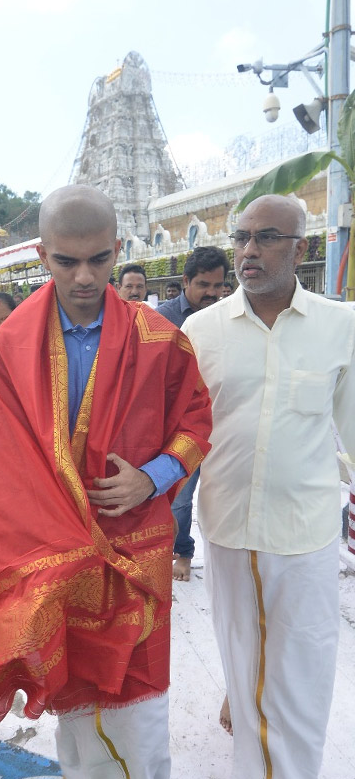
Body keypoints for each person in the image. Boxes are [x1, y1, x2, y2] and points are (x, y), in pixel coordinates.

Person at [0, 186, 212, 779]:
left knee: (139, 711)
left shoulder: (161, 339)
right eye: (68, 261)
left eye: (99, 258)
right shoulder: (8, 346)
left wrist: (152, 477)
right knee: (74, 707)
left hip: (133, 549)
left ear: (118, 249)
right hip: (48, 555)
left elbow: (196, 420)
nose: (86, 275)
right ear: (43, 255)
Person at [183, 195, 355, 779]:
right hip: (228, 529)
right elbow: (184, 433)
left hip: (305, 533)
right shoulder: (200, 330)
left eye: (266, 238)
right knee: (245, 667)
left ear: (299, 248)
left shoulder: (341, 326)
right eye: (241, 238)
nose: (248, 251)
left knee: (302, 675)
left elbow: (352, 432)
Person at [157, 246, 230, 581]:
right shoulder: (164, 318)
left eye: (218, 286)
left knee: (226, 495)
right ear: (185, 281)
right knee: (180, 500)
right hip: (178, 428)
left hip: (223, 424)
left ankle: (224, 558)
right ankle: (182, 553)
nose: (211, 293)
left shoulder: (230, 316)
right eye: (203, 285)